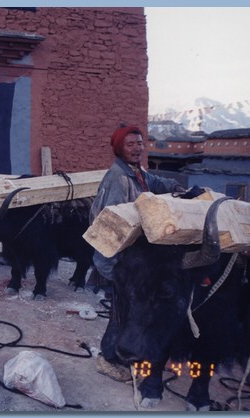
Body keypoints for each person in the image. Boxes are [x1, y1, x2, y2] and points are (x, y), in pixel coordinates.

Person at [90, 124, 185, 382]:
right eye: (130, 144)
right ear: (119, 148)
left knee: (132, 311)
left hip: (133, 263)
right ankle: (108, 359)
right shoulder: (118, 180)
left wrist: (177, 187)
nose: (137, 148)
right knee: (121, 313)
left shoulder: (136, 173)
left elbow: (155, 182)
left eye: (140, 143)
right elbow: (110, 226)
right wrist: (115, 270)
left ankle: (124, 355)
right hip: (117, 261)